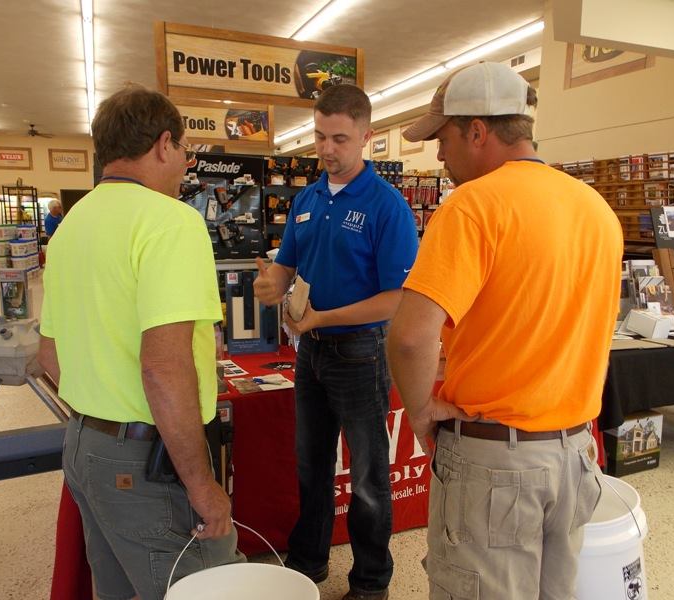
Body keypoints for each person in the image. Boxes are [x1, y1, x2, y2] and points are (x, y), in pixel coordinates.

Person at [386, 62, 623, 599]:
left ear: (477, 131)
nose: (439, 156)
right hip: (575, 455)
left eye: (443, 138)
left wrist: (420, 411)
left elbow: (410, 336)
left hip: (494, 462)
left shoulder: (472, 206)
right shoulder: (596, 209)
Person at [38, 85, 243, 600]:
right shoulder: (171, 222)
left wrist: (105, 393)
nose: (185, 165)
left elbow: (49, 355)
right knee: (206, 584)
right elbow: (163, 368)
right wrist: (202, 485)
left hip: (84, 445)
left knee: (118, 588)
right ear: (164, 144)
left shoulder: (70, 227)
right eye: (184, 150)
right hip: (146, 458)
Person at [253, 84, 418, 600]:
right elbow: (287, 264)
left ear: (366, 136)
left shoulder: (387, 206)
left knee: (368, 476)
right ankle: (309, 562)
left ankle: (370, 582)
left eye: (339, 138)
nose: (326, 149)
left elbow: (395, 298)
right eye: (320, 136)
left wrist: (324, 316)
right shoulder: (307, 198)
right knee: (311, 464)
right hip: (312, 352)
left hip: (361, 353)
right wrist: (272, 283)